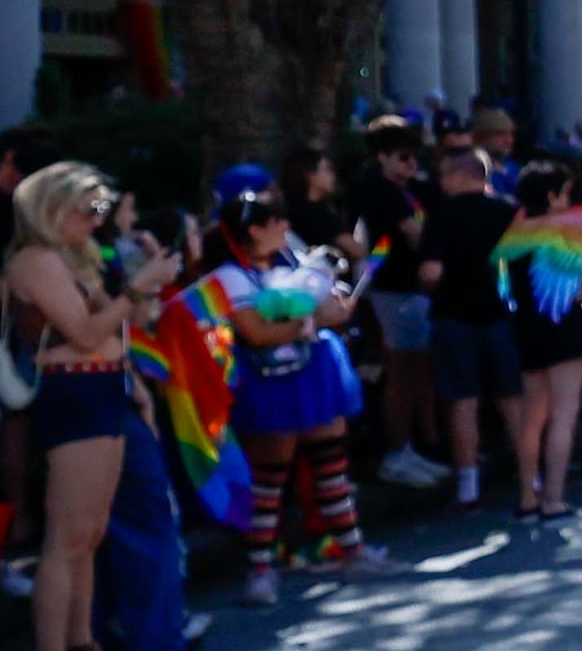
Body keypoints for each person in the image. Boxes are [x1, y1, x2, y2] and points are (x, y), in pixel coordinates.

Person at [7, 164, 174, 651]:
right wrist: (135, 290)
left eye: (101, 209)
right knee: (67, 538)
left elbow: (120, 327)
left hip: (102, 388)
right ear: (52, 208)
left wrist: (140, 290)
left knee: (91, 534)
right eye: (88, 209)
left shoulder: (75, 259)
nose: (96, 220)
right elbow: (82, 334)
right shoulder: (35, 261)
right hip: (71, 393)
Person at [204, 176, 377, 603]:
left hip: (314, 370)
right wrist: (313, 321)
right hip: (269, 381)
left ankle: (353, 550)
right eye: (273, 221)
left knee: (331, 462)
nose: (284, 225)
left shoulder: (292, 258)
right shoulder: (229, 277)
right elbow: (257, 334)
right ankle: (260, 569)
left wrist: (328, 310)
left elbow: (323, 303)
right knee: (270, 475)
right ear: (253, 230)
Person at [496, 161, 582, 522]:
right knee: (563, 414)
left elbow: (502, 282)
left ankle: (526, 496)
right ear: (552, 196)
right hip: (564, 326)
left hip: (525, 325)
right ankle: (553, 498)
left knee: (532, 415)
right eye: (564, 193)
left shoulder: (515, 234)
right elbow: (578, 288)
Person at [414, 142, 521, 510]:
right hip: (503, 312)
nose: (440, 181)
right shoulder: (510, 212)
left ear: (461, 176)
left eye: (444, 173)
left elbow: (431, 271)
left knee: (462, 400)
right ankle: (531, 475)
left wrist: (430, 285)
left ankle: (468, 484)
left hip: (454, 313)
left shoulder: (441, 215)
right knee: (512, 396)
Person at [353, 117, 444, 490]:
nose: (412, 165)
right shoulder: (378, 190)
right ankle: (395, 451)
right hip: (393, 287)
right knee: (401, 369)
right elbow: (414, 233)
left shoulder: (412, 189)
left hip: (413, 290)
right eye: (404, 157)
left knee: (417, 370)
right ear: (383, 156)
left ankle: (409, 447)